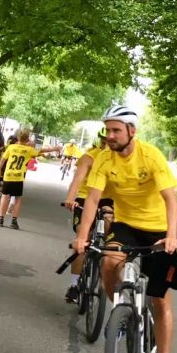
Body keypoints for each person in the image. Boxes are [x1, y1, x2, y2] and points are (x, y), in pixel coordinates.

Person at [73, 105, 177, 353]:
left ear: (132, 131)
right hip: (126, 226)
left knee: (160, 300)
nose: (110, 135)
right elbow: (93, 199)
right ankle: (120, 312)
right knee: (108, 261)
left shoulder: (151, 156)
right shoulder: (104, 159)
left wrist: (172, 236)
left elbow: (171, 199)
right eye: (107, 130)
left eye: (116, 130)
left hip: (158, 229)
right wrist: (83, 237)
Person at [61, 129, 112, 302]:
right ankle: (75, 285)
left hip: (107, 200)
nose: (107, 144)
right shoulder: (89, 157)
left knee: (112, 230)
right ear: (100, 141)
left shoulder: (118, 159)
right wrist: (70, 198)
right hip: (85, 197)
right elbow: (77, 179)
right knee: (82, 240)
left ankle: (108, 258)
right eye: (104, 141)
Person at [0, 129, 60, 230]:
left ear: (18, 138)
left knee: (5, 197)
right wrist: (53, 149)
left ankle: (1, 219)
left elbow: (3, 159)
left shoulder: (11, 147)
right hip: (19, 177)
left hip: (8, 175)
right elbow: (41, 151)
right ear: (28, 139)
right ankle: (14, 221)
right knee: (17, 199)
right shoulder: (29, 150)